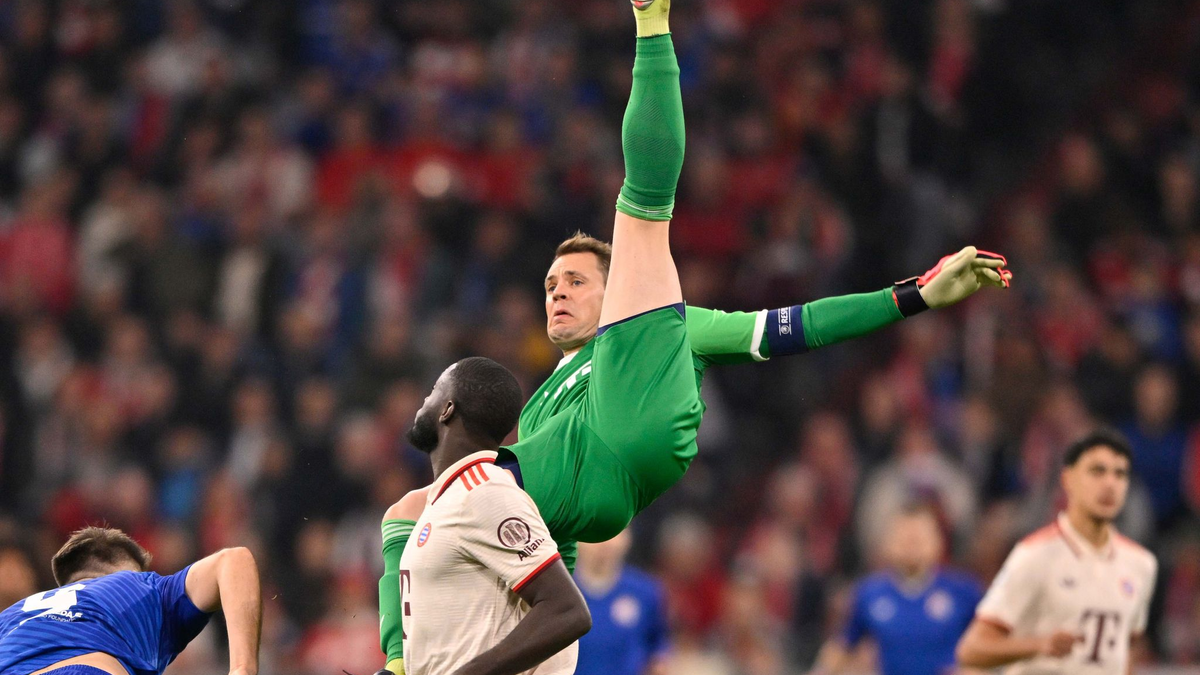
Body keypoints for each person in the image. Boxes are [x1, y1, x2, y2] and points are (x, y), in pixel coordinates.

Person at [378, 0, 1013, 670]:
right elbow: (542, 537)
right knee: (406, 511)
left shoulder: (671, 324)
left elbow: (803, 326)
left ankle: (652, 22)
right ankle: (393, 662)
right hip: (596, 491)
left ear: (617, 285)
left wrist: (912, 295)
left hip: (636, 417)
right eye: (547, 285)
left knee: (644, 207)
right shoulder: (540, 405)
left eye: (573, 279)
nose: (555, 290)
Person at [397, 356, 591, 675]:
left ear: (447, 409)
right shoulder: (453, 496)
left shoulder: (484, 491)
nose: (424, 400)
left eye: (433, 390)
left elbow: (567, 611)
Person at [955, 429, 1158, 674]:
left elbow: (1124, 650)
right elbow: (971, 650)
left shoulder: (1141, 564)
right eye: (1097, 471)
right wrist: (1038, 645)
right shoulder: (1034, 555)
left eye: (1120, 474)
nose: (1110, 484)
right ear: (1068, 479)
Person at [0, 526, 261, 675]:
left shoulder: (11, 615)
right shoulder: (143, 587)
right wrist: (242, 669)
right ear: (125, 571)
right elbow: (234, 561)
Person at [811, 504, 983, 675]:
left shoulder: (964, 591)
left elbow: (989, 645)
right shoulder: (869, 593)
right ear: (888, 543)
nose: (911, 546)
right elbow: (842, 646)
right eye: (904, 538)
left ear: (938, 542)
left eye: (918, 538)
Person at [574, 530, 670, 675]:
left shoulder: (645, 591)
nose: (606, 542)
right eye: (596, 529)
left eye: (616, 532)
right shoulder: (557, 592)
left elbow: (658, 645)